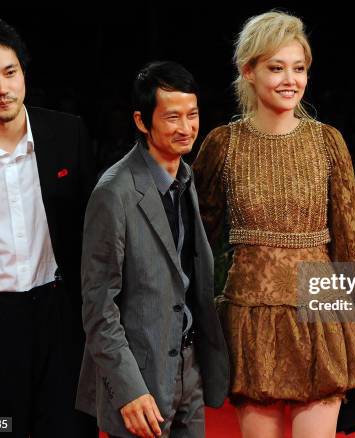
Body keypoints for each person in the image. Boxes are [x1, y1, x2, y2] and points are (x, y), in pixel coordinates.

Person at [193, 11, 355, 438]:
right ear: (248, 71)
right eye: (276, 67)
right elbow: (197, 241)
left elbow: (349, 239)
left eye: (299, 68)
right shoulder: (222, 144)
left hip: (320, 316)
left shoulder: (327, 141)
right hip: (250, 319)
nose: (290, 79)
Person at [0, 15, 97, 437]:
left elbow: (93, 231)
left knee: (69, 428)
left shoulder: (67, 133)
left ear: (24, 73)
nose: (2, 88)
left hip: (60, 315)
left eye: (11, 72)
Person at [75, 61, 229, 438]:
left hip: (190, 368)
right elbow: (99, 308)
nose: (186, 127)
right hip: (141, 379)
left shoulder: (186, 177)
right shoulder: (114, 192)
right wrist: (128, 389)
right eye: (172, 117)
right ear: (142, 122)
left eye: (192, 115)